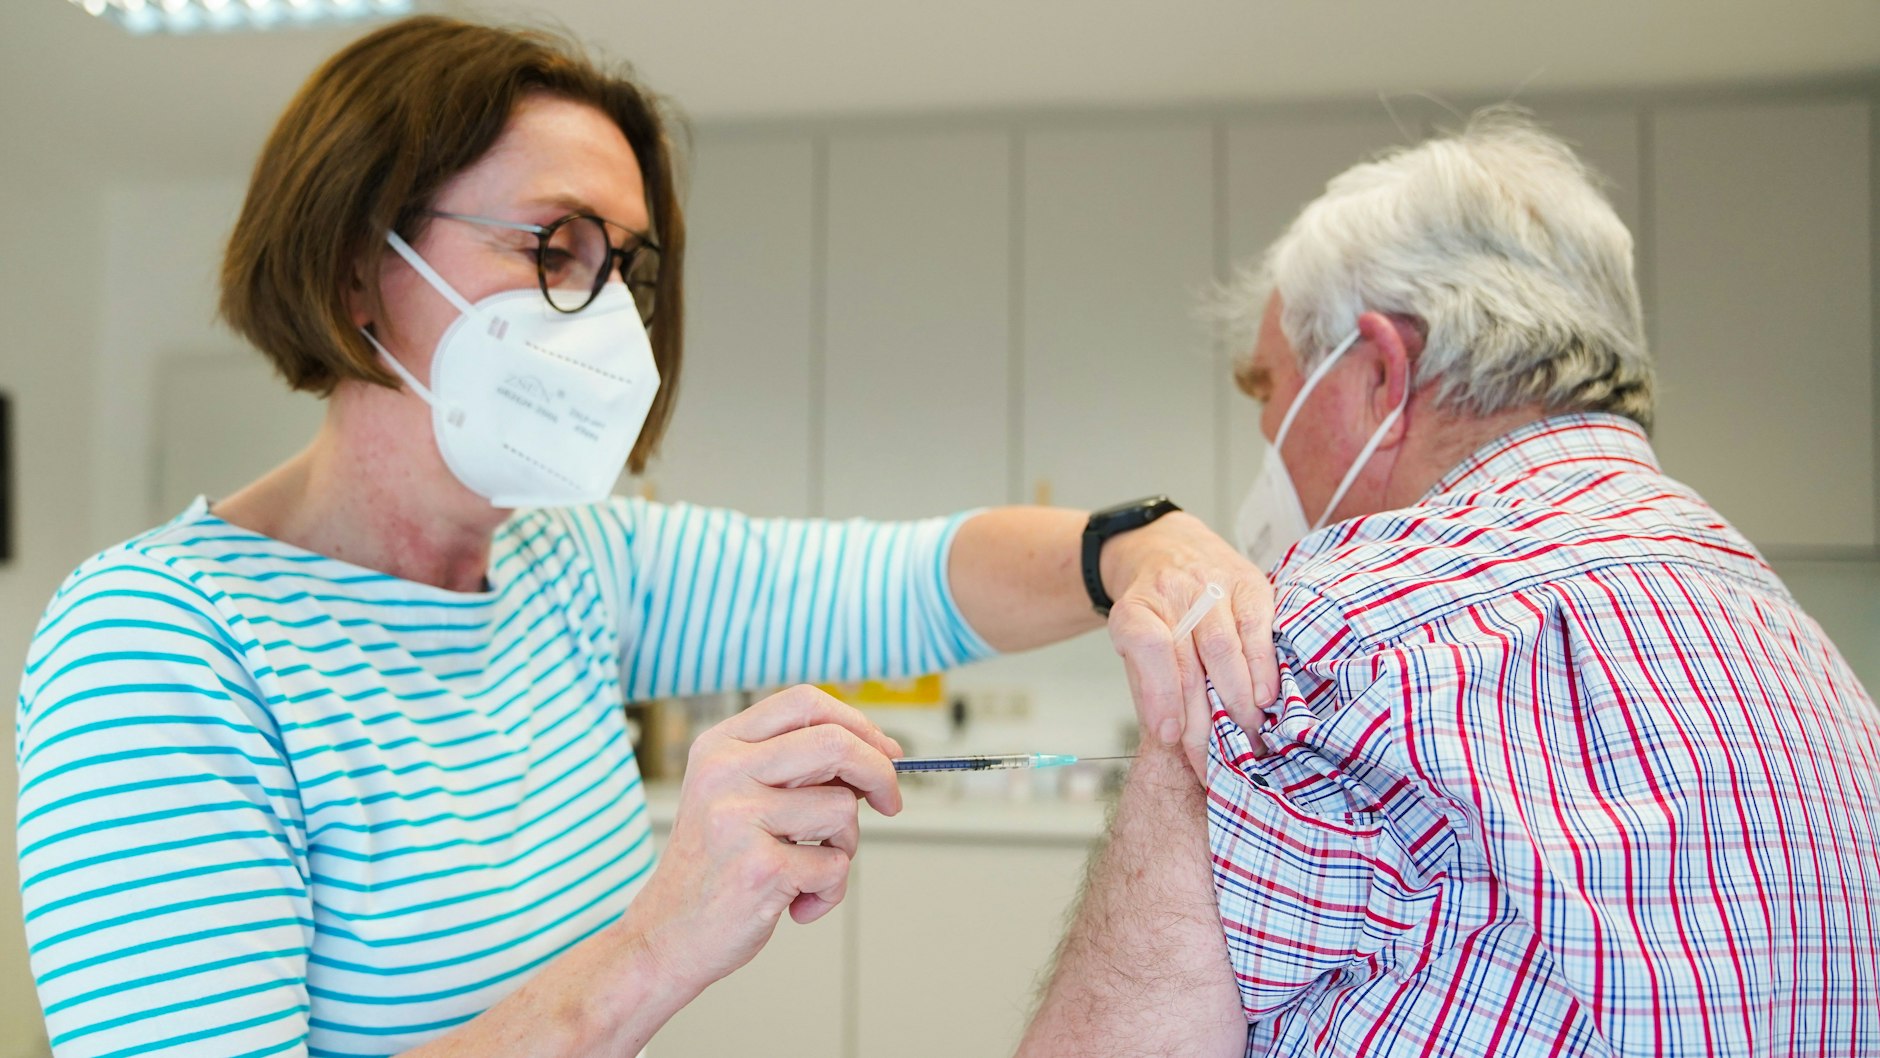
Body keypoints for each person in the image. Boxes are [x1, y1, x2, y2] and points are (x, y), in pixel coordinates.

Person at [13, 16, 1278, 1058]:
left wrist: (1136, 544)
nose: (608, 313)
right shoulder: (158, 646)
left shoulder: (571, 564)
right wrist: (659, 943)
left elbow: (912, 579)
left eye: (627, 267)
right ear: (357, 267)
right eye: (555, 247)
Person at [1019, 108, 1880, 1057]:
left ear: (1383, 376)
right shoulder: (1815, 669)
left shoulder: (1316, 639)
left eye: (1272, 394)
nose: (1269, 444)